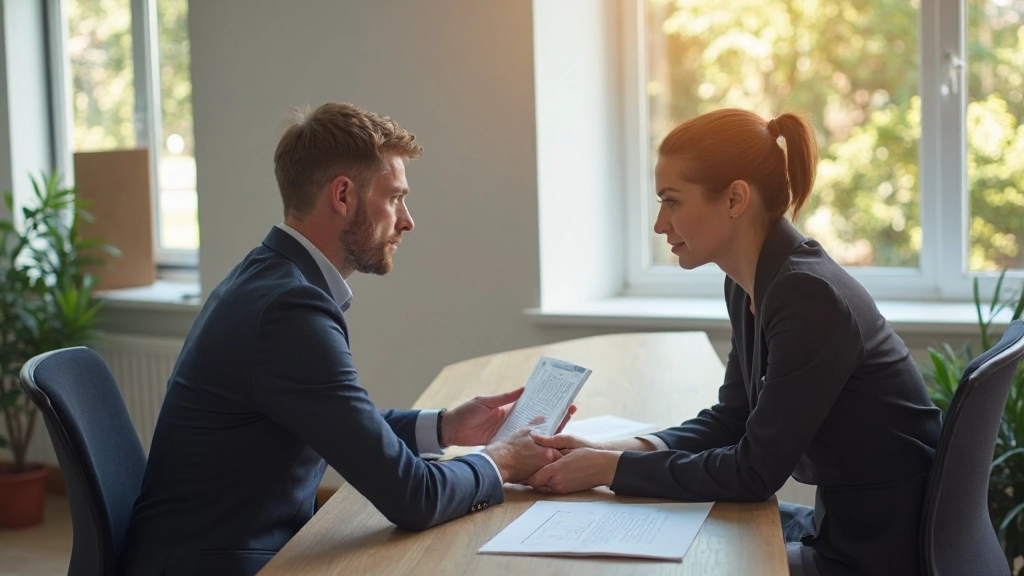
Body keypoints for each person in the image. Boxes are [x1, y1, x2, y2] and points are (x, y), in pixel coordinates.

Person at [119, 102, 566, 576]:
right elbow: (413, 497)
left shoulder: (268, 278)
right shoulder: (289, 310)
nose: (407, 220)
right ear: (343, 196)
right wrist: (503, 462)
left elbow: (342, 425)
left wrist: (446, 428)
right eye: (395, 197)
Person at [524, 109, 942, 575]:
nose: (660, 224)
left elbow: (754, 473)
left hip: (877, 551)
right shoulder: (752, 283)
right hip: (848, 527)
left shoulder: (808, 297)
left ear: (735, 198)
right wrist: (616, 450)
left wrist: (609, 471)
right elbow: (733, 419)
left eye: (673, 201)